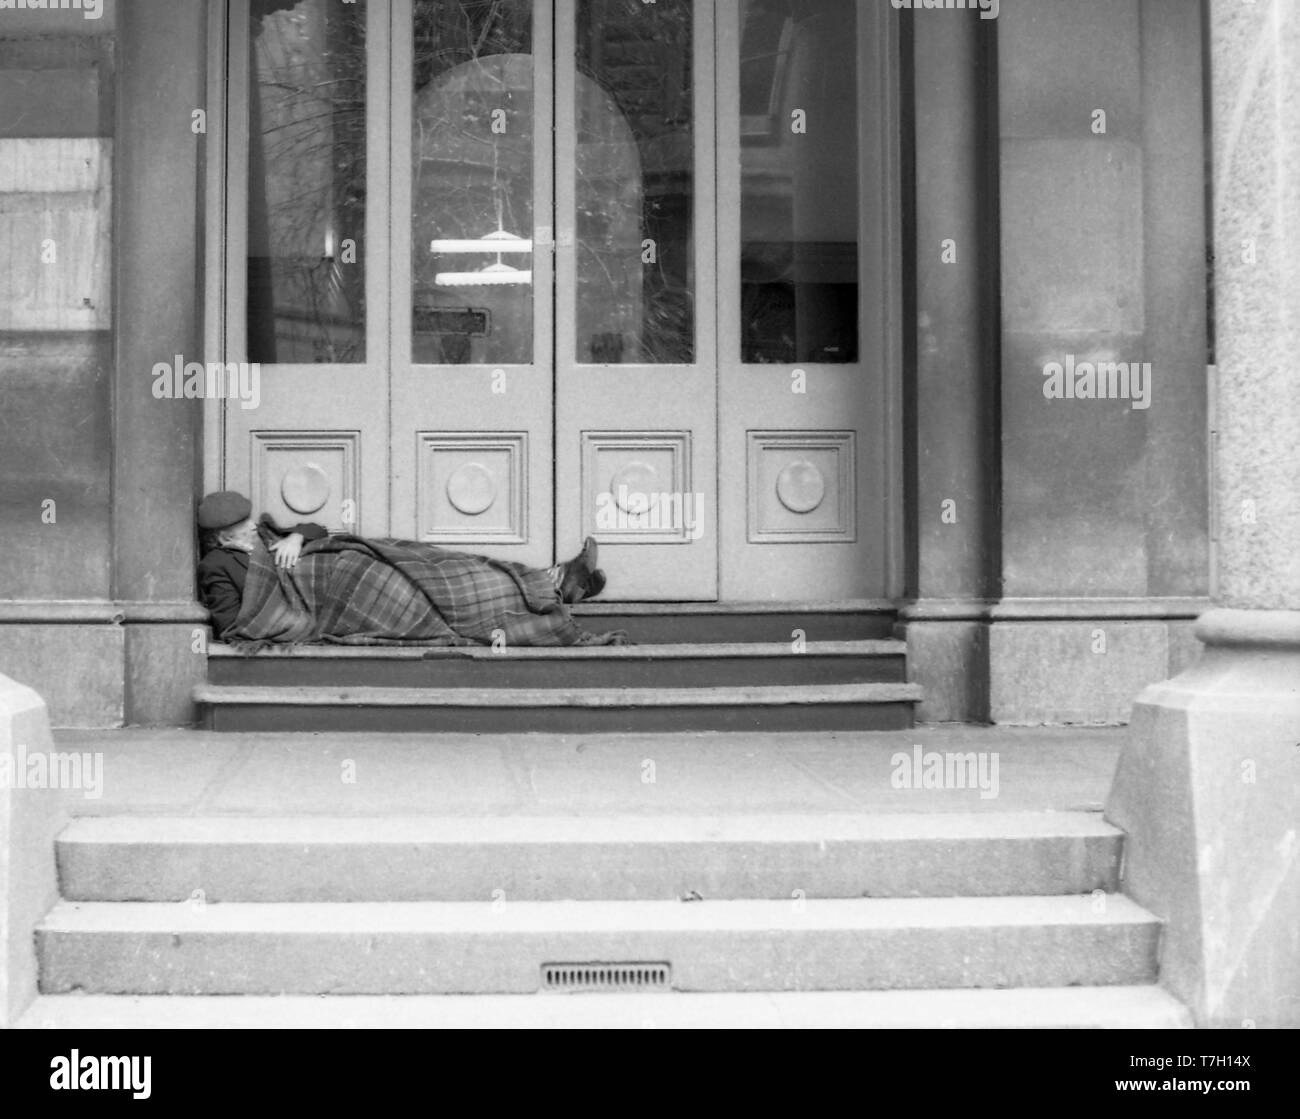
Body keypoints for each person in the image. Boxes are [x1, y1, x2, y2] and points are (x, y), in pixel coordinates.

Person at [196, 491, 614, 647]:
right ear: (220, 539)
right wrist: (279, 592)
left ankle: (551, 578)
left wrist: (295, 538)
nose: (253, 527)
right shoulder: (218, 566)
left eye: (251, 521)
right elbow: (235, 621)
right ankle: (555, 586)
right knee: (439, 601)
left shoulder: (268, 535)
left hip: (358, 558)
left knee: (444, 566)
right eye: (241, 528)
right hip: (341, 595)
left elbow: (319, 526)